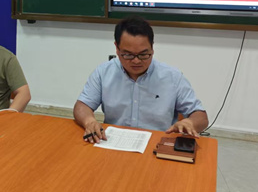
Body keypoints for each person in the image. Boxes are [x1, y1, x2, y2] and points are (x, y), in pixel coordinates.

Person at [74, 16, 208, 143]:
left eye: (143, 54)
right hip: (114, 142)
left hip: (157, 143)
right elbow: (82, 106)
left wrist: (189, 122)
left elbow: (200, 116)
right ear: (117, 48)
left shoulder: (172, 77)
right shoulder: (104, 72)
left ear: (152, 48)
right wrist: (89, 121)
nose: (136, 61)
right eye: (128, 55)